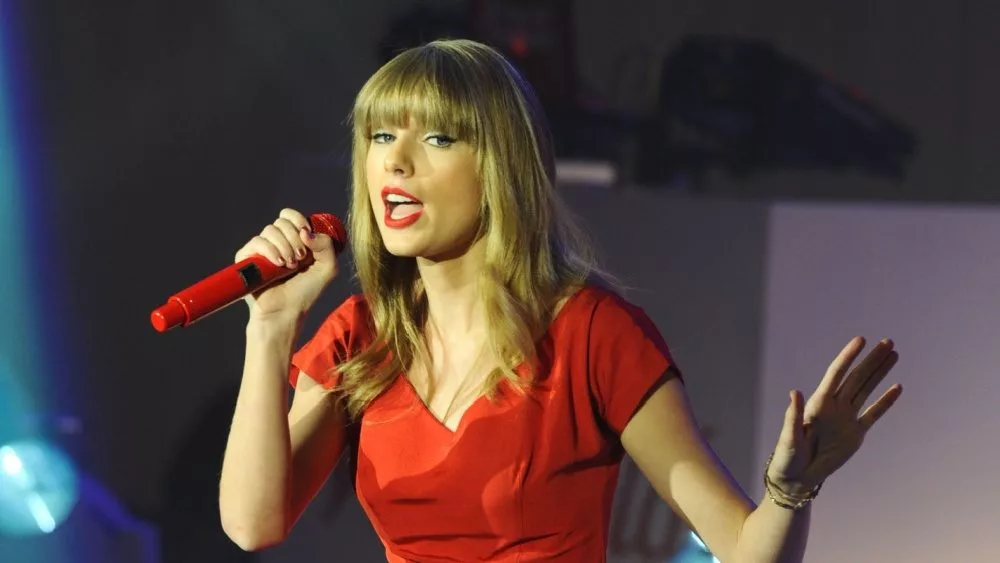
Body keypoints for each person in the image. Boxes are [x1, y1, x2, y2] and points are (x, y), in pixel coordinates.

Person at [217, 39, 903, 562]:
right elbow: (253, 524)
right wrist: (270, 328)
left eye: (436, 137)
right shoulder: (359, 335)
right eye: (379, 135)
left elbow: (744, 547)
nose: (394, 161)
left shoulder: (591, 334)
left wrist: (792, 489)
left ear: (500, 163)